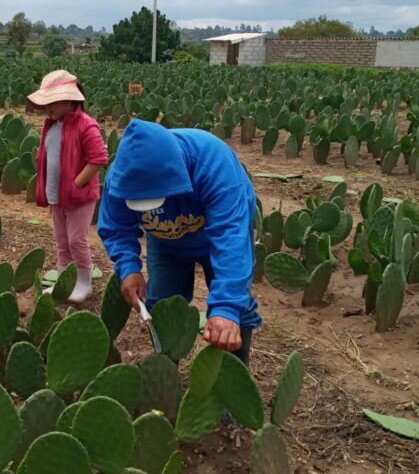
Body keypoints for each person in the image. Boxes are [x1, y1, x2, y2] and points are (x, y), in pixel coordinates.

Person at [97, 119, 260, 365]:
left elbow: (231, 239)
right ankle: (166, 372)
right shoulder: (120, 178)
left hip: (216, 238)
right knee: (161, 302)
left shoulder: (214, 166)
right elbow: (115, 227)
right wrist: (128, 267)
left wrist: (226, 309)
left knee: (237, 308)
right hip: (165, 241)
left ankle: (233, 379)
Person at [28, 70, 109, 303]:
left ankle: (84, 283)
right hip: (56, 195)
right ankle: (64, 284)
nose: (47, 108)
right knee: (62, 241)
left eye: (52, 102)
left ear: (70, 100)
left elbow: (99, 158)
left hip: (80, 197)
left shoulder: (86, 125)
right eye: (45, 103)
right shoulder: (52, 126)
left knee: (76, 240)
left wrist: (76, 184)